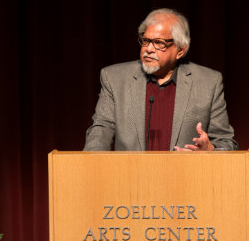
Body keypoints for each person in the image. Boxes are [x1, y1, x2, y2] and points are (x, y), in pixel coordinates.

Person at [83, 8, 238, 151]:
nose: (149, 49)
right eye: (145, 40)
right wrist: (90, 166)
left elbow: (226, 142)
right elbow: (100, 131)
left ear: (180, 50)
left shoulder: (208, 82)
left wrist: (210, 150)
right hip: (130, 177)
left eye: (159, 43)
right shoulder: (115, 78)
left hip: (186, 177)